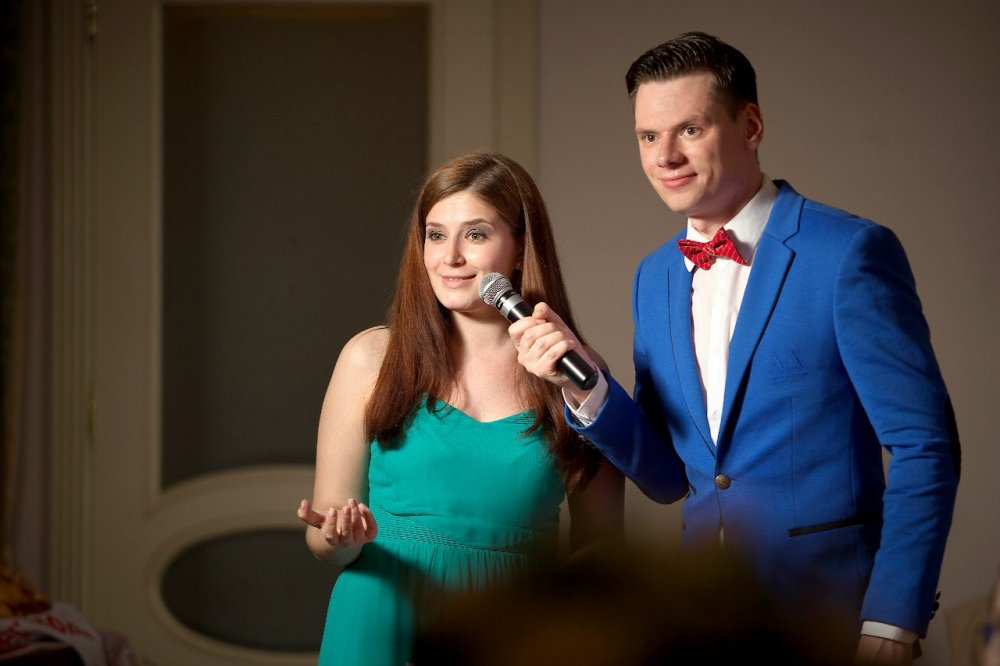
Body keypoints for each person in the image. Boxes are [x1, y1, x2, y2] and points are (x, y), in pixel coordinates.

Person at [508, 31, 960, 665]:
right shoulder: (654, 277)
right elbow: (669, 479)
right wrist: (585, 387)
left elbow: (924, 445)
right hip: (701, 624)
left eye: (689, 130)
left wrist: (891, 622)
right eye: (647, 136)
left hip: (831, 620)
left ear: (750, 126)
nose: (665, 156)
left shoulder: (848, 253)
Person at [297, 151, 625, 666]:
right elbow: (323, 537)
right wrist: (339, 537)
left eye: (475, 234)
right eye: (435, 234)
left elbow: (602, 547)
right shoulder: (369, 358)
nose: (449, 256)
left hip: (512, 632)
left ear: (520, 247)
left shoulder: (575, 371)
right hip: (379, 619)